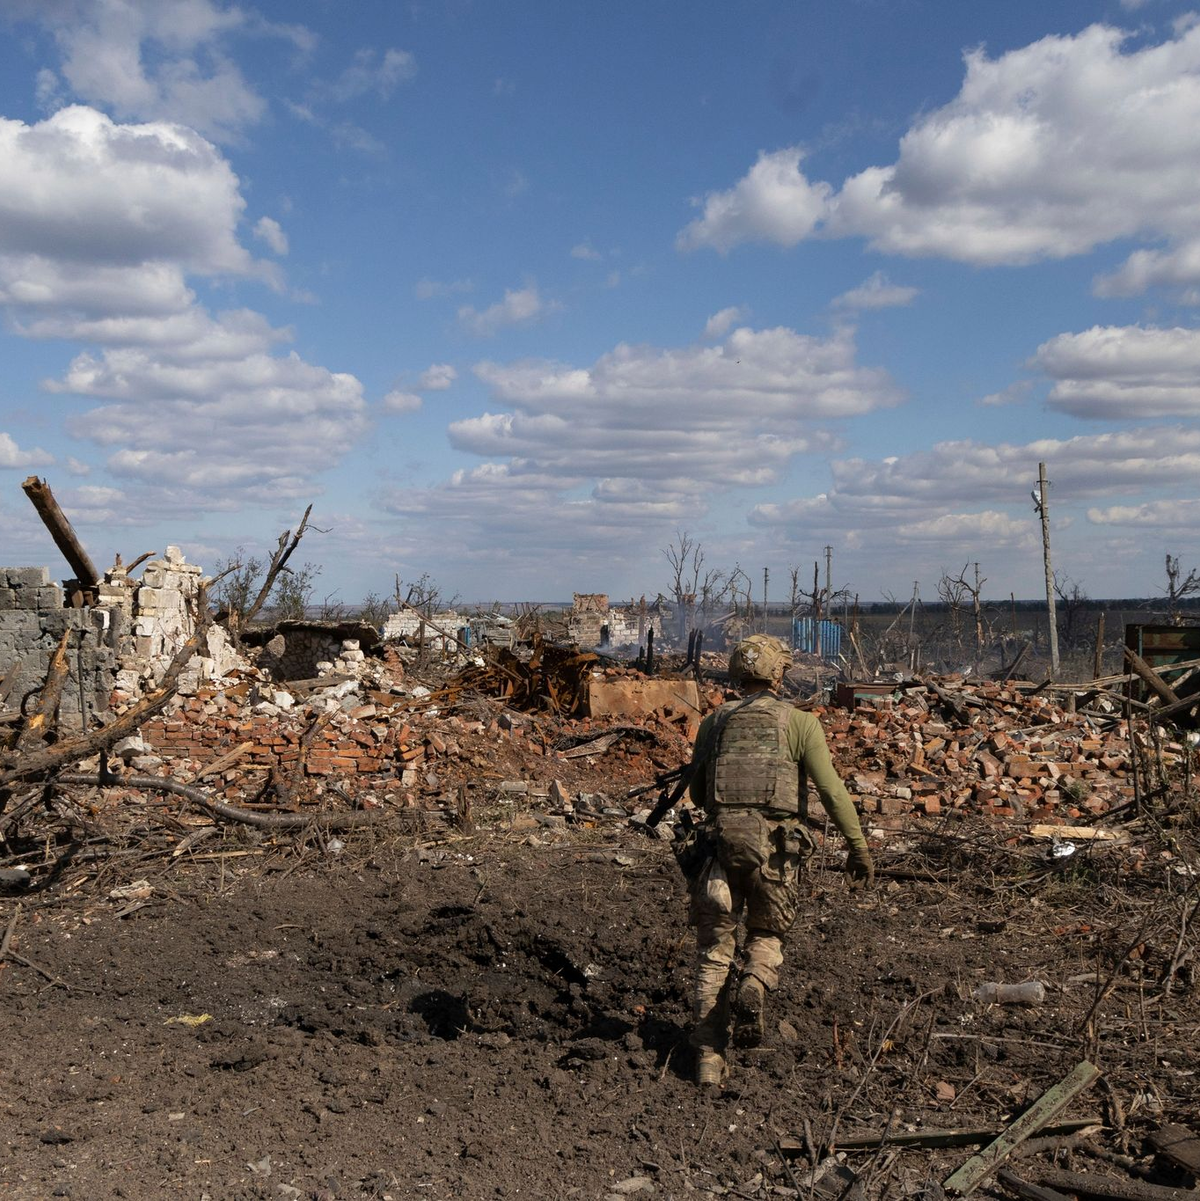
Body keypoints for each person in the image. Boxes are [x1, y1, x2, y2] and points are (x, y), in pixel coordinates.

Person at [683, 634, 874, 1087]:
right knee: (766, 933)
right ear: (778, 674)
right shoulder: (801, 723)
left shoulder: (713, 723)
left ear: (737, 672)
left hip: (719, 851)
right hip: (776, 855)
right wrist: (858, 847)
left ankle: (708, 1058)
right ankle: (754, 980)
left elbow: (698, 793)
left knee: (713, 954)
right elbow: (831, 791)